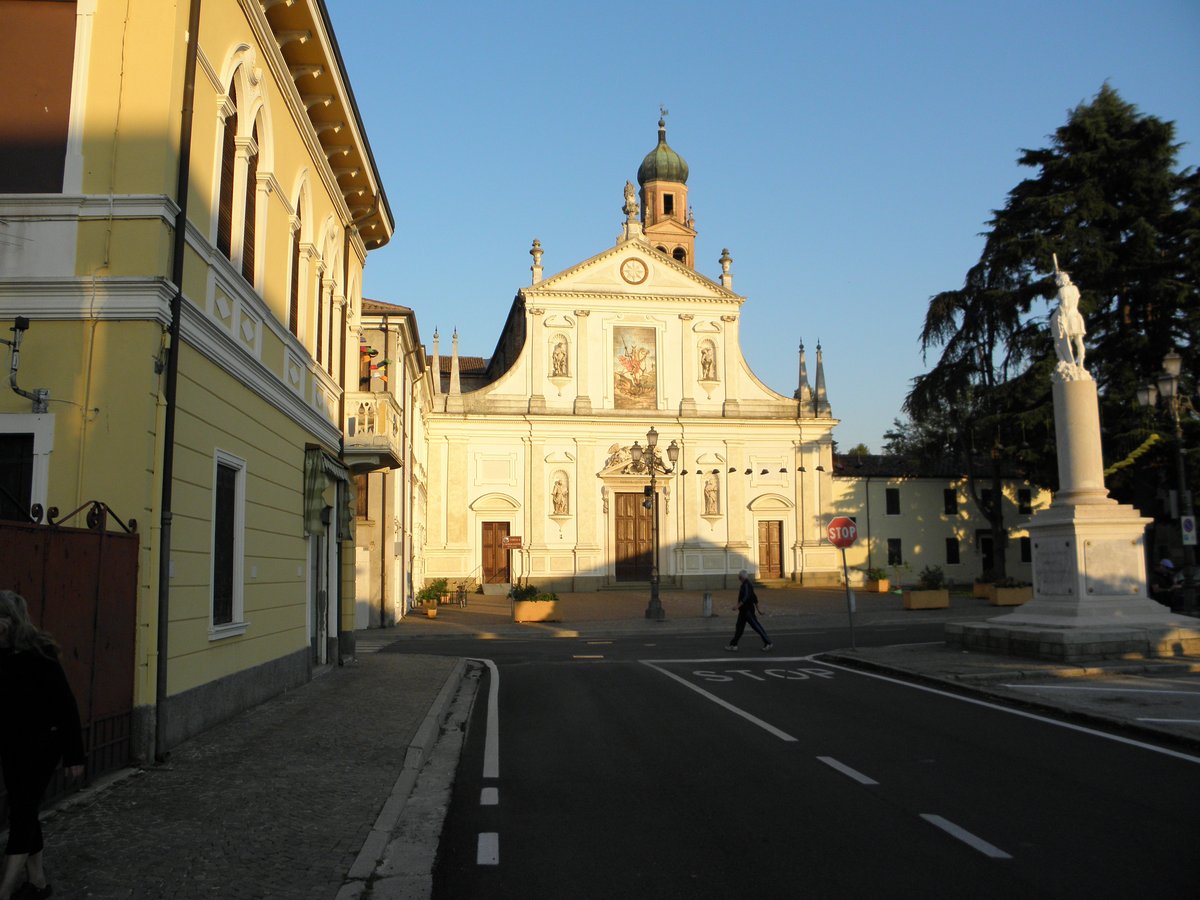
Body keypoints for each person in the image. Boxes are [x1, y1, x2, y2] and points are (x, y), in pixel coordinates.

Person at [0, 590, 85, 900]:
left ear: (8, 620)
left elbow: (66, 705)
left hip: (42, 746)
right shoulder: (3, 653)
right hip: (11, 746)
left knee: (22, 813)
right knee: (23, 809)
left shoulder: (40, 653)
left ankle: (5, 892)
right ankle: (37, 883)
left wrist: (75, 754)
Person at [726, 570, 772, 651]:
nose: (738, 578)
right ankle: (734, 645)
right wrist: (758, 609)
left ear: (741, 577)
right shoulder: (746, 584)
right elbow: (754, 597)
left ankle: (768, 642)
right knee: (739, 628)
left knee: (756, 626)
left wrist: (737, 606)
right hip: (743, 611)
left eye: (739, 576)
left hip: (748, 611)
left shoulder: (746, 585)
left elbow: (746, 597)